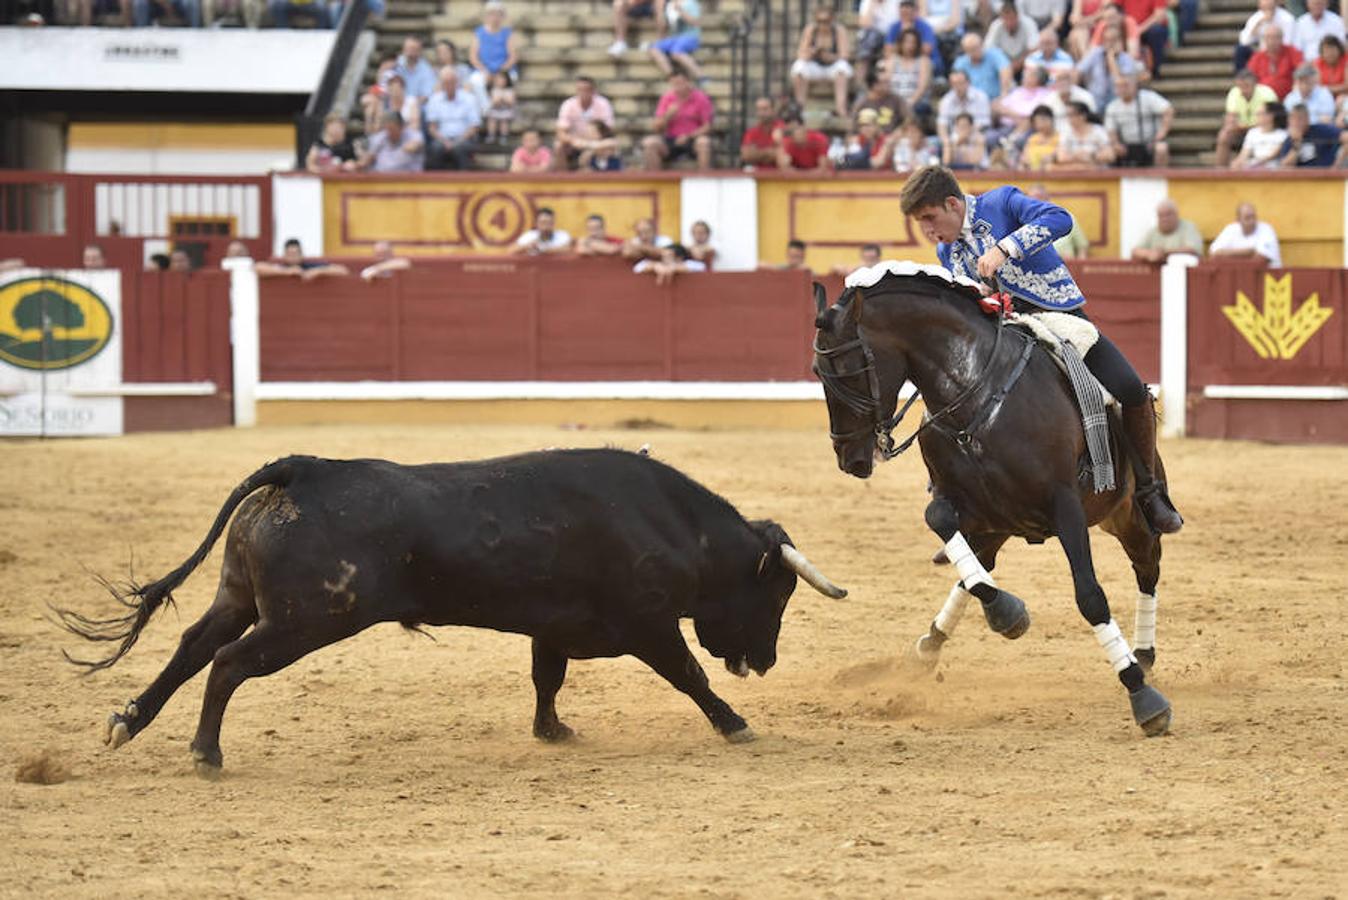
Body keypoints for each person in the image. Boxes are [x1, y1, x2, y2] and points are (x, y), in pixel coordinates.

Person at [897, 164, 1182, 534]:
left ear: (953, 204)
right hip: (1003, 336)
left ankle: (1149, 491)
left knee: (1130, 389)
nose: (928, 230)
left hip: (1060, 320)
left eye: (930, 218)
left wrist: (1005, 248)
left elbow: (1059, 218)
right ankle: (963, 504)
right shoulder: (946, 252)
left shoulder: (1000, 203)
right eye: (921, 223)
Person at [790, 4, 854, 119]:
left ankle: (841, 108)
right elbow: (800, 53)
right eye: (819, 21)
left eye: (826, 21)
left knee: (842, 68)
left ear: (832, 20)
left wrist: (831, 57)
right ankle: (799, 107)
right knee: (798, 67)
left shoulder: (839, 30)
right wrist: (812, 52)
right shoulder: (810, 30)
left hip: (833, 67)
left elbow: (845, 55)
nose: (823, 24)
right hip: (815, 67)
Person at [641, 70, 714, 171]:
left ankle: (704, 179)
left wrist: (689, 136)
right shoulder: (667, 98)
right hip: (671, 140)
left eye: (680, 83)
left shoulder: (701, 98)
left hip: (693, 140)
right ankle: (655, 180)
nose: (677, 87)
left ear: (688, 82)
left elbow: (707, 126)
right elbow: (656, 128)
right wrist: (667, 116)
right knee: (649, 143)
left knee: (704, 142)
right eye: (674, 84)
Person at [1105, 74, 1173, 166]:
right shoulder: (1112, 106)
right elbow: (1110, 130)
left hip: (1150, 142)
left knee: (1161, 148)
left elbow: (1168, 110)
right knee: (1107, 153)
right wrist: (1116, 144)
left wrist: (1161, 133)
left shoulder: (1148, 97)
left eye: (1125, 85)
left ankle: (1160, 177)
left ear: (1134, 86)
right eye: (1118, 86)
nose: (1122, 89)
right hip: (1126, 145)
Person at [1216, 68, 1279, 166]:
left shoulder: (1267, 93)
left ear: (1255, 84)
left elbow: (1271, 121)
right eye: (1240, 86)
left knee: (1256, 134)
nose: (1243, 90)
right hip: (1243, 130)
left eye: (1246, 86)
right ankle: (1219, 173)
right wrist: (1240, 126)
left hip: (1264, 130)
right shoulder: (1234, 92)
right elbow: (1231, 120)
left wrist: (1243, 126)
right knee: (1224, 135)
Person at [423, 68, 481, 170]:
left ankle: (464, 182)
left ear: (457, 82)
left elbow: (474, 127)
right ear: (441, 84)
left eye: (451, 82)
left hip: (463, 138)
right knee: (435, 148)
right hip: (441, 139)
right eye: (446, 82)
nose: (449, 85)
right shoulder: (434, 99)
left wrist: (457, 142)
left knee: (460, 148)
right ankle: (436, 182)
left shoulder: (469, 98)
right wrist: (445, 142)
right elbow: (432, 128)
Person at [555, 77, 617, 170]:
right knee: (559, 146)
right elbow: (561, 133)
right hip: (575, 142)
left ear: (593, 91)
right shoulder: (568, 105)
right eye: (580, 90)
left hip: (598, 142)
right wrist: (574, 141)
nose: (583, 93)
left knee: (610, 144)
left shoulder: (603, 104)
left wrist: (593, 144)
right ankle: (562, 179)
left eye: (586, 90)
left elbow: (609, 130)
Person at [1077, 22, 1141, 111]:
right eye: (1107, 40)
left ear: (1120, 41)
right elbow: (1078, 71)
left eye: (1114, 40)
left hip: (1118, 104)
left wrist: (1111, 59)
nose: (1110, 43)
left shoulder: (1127, 59)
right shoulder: (1095, 53)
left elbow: (1120, 82)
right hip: (1095, 102)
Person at [469, 1, 520, 100]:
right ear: (487, 16)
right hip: (483, 69)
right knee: (476, 82)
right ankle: (485, 109)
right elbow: (473, 57)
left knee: (508, 80)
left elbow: (513, 57)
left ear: (503, 16)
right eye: (492, 14)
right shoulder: (479, 32)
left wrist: (500, 72)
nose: (495, 18)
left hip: (504, 70)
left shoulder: (507, 33)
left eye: (498, 14)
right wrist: (485, 71)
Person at [1028, 184, 1090, 259]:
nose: (1037, 202)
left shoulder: (1065, 217)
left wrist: (1078, 267)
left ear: (1048, 199)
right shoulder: (1023, 221)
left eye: (1040, 197)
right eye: (1032, 199)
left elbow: (1082, 247)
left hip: (1065, 266)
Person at [1209, 201, 1282, 266]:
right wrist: (1249, 252)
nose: (1252, 221)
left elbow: (1261, 260)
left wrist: (1227, 256)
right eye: (1247, 218)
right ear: (1238, 220)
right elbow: (1214, 253)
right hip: (1238, 277)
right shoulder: (1230, 229)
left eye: (1254, 217)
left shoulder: (1266, 229)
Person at [1131, 199, 1204, 261]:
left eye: (1168, 214)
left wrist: (1164, 252)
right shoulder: (1153, 231)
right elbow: (1135, 251)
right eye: (1161, 216)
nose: (1164, 219)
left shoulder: (1188, 227)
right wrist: (1149, 254)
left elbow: (1192, 250)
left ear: (1176, 214)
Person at [936, 69, 992, 149]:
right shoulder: (946, 100)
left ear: (968, 82)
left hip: (977, 133)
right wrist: (945, 140)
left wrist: (965, 134)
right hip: (954, 136)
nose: (957, 87)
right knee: (938, 143)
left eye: (960, 83)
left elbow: (985, 122)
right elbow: (942, 124)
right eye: (954, 84)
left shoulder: (981, 97)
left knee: (986, 138)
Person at [650, 0, 703, 81]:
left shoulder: (691, 3)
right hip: (674, 38)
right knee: (654, 48)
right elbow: (662, 30)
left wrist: (680, 11)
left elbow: (695, 22)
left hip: (690, 37)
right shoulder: (669, 5)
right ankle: (671, 75)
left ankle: (700, 76)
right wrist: (659, 12)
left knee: (676, 52)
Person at [883, 27, 933, 113]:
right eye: (906, 42)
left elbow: (922, 87)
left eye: (913, 42)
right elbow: (886, 83)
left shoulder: (923, 61)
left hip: (916, 102)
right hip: (895, 101)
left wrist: (910, 103)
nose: (910, 45)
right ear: (900, 43)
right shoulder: (892, 60)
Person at [985, 3, 1040, 78]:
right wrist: (1004, 64)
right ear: (1001, 18)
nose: (1009, 22)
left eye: (1012, 18)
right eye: (1006, 19)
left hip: (1025, 63)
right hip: (1003, 64)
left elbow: (1034, 49)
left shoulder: (1028, 23)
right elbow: (989, 49)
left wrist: (1017, 64)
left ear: (1017, 16)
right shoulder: (996, 26)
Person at [357, 112, 425, 173]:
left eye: (392, 129)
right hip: (381, 179)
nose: (389, 133)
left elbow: (417, 144)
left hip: (408, 180)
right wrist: (356, 165)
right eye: (387, 129)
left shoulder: (414, 135)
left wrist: (414, 146)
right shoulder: (380, 137)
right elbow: (367, 160)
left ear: (402, 127)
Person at [1054, 100, 1116, 167]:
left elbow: (1110, 155)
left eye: (1071, 115)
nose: (1068, 119)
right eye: (1067, 115)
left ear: (1082, 116)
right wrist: (1076, 156)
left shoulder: (1098, 131)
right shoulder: (1066, 132)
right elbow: (1061, 157)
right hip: (1073, 171)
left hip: (1097, 172)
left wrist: (1091, 155)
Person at [1251, 22, 1304, 98]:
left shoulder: (1291, 52)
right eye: (1269, 37)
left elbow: (1302, 70)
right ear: (1264, 40)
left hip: (1288, 98)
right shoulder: (1257, 57)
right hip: (1264, 101)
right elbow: (1250, 77)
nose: (1272, 41)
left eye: (1276, 37)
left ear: (1282, 38)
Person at [953, 32, 1012, 101]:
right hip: (972, 101)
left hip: (996, 99)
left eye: (976, 48)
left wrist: (1004, 94)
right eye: (970, 50)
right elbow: (955, 82)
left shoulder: (994, 54)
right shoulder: (960, 63)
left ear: (982, 45)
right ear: (965, 50)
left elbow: (1005, 70)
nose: (974, 52)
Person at [1232, 101, 1289, 168]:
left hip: (1273, 169)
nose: (1257, 116)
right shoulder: (1252, 133)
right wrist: (1237, 163)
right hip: (1253, 168)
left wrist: (1252, 164)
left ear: (1271, 116)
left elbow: (1273, 155)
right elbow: (1244, 154)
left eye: (1260, 113)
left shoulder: (1283, 134)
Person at [255, 238, 349, 279]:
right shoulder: (281, 267)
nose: (293, 257)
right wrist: (286, 272)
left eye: (295, 254)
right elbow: (257, 268)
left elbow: (342, 270)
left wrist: (318, 271)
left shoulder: (309, 266)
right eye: (289, 254)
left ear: (302, 255)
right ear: (284, 255)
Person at [740, 96, 784, 170]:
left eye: (765, 109)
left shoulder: (782, 128)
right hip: (758, 175)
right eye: (758, 109)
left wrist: (757, 153)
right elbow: (746, 156)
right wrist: (770, 153)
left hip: (780, 176)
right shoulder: (752, 132)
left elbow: (784, 154)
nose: (761, 113)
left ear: (773, 110)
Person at [634, 243, 706, 285]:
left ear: (679, 258)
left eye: (668, 256)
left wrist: (675, 268)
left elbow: (701, 267)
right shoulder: (660, 264)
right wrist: (654, 266)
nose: (664, 259)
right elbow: (637, 268)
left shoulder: (688, 264)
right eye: (663, 256)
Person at [394, 37, 437, 103]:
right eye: (407, 48)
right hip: (396, 105)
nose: (409, 51)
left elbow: (426, 96)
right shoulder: (395, 64)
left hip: (417, 108)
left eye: (413, 49)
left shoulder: (427, 70)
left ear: (420, 51)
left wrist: (409, 104)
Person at [1019, 104, 1060, 170]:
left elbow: (1060, 155)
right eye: (1037, 122)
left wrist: (1051, 157)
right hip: (1032, 170)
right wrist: (1025, 160)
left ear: (1051, 120)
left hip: (1051, 169)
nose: (1040, 125)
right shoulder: (1033, 138)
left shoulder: (1060, 137)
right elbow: (1024, 156)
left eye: (1043, 120)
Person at [484, 71, 517, 143]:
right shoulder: (493, 90)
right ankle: (491, 135)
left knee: (504, 121)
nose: (501, 82)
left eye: (503, 80)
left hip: (506, 110)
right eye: (498, 80)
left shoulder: (510, 91)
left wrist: (505, 100)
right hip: (495, 110)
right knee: (491, 120)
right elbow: (492, 102)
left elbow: (512, 103)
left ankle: (503, 136)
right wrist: (497, 101)